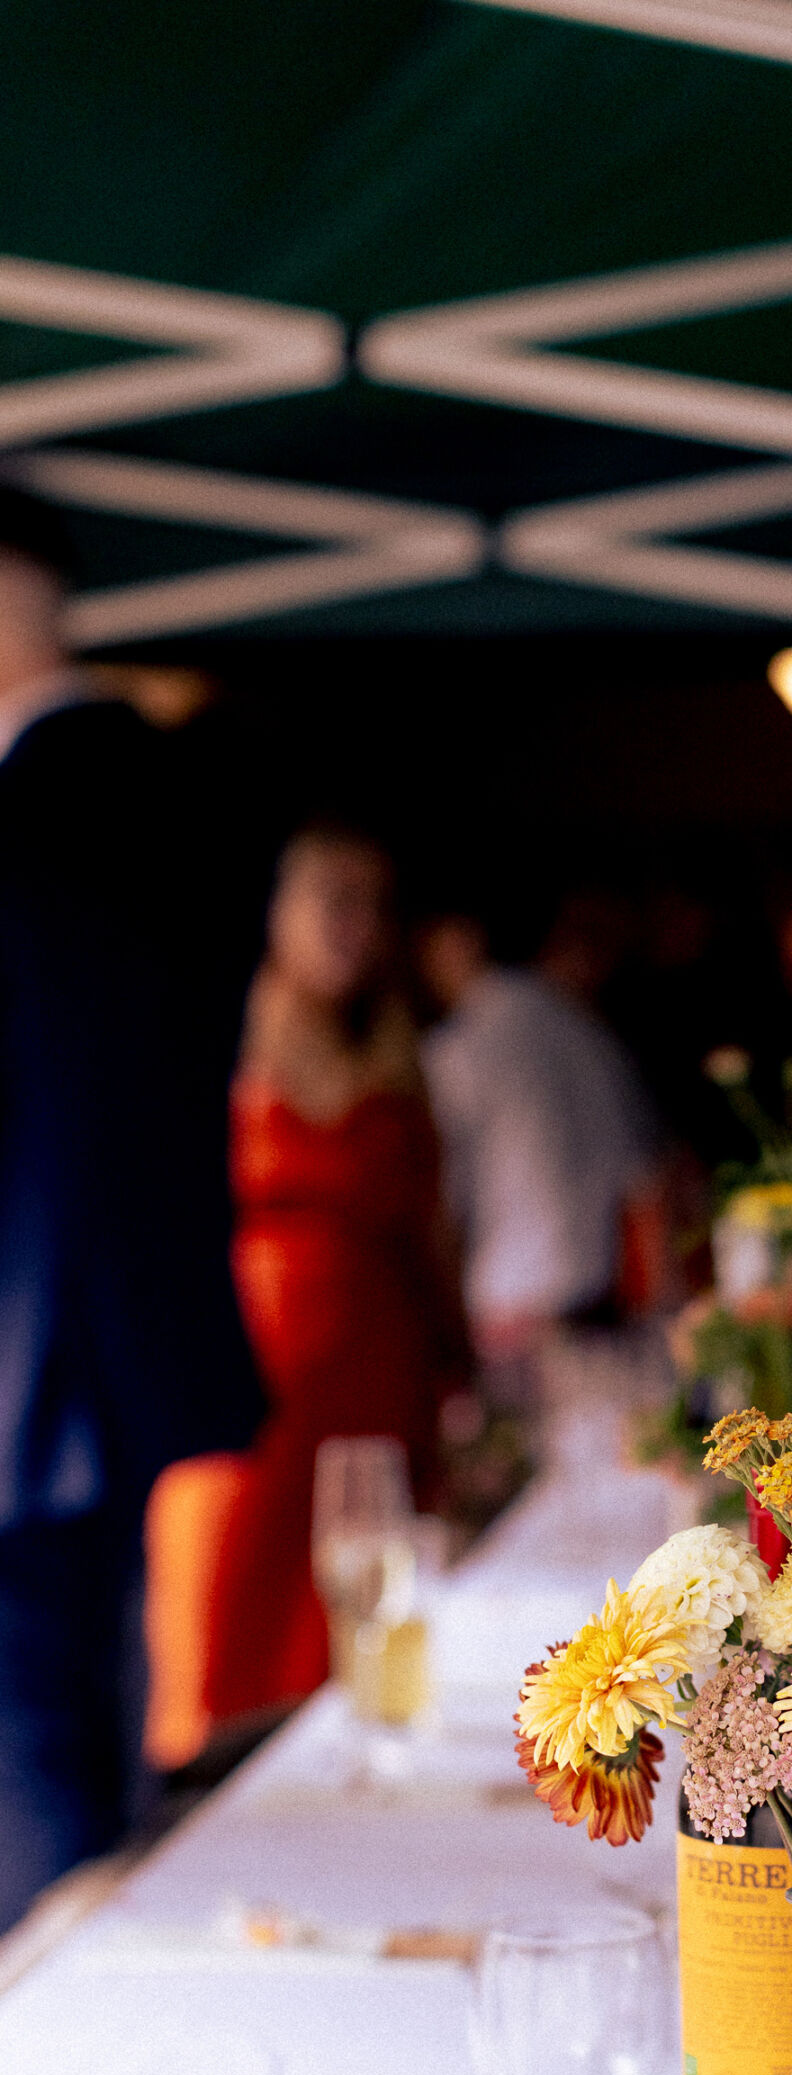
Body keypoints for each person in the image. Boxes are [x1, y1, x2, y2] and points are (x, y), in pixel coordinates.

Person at [0, 487, 264, 1923]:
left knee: (41, 1755)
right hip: (96, 1347)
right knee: (83, 1721)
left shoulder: (51, 802)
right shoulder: (170, 787)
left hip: (37, 1359)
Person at [144, 824, 463, 1766]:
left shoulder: (401, 1050)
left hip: (380, 1359)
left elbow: (430, 1232)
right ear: (278, 910)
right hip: (258, 1362)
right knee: (234, 1607)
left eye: (373, 904)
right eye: (334, 898)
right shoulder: (217, 1031)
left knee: (371, 1602)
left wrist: (456, 1364)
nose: (356, 927)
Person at [416, 911, 658, 1360]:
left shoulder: (457, 1050)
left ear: (456, 942)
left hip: (508, 1312)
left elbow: (442, 1200)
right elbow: (643, 1177)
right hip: (599, 1303)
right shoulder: (588, 1034)